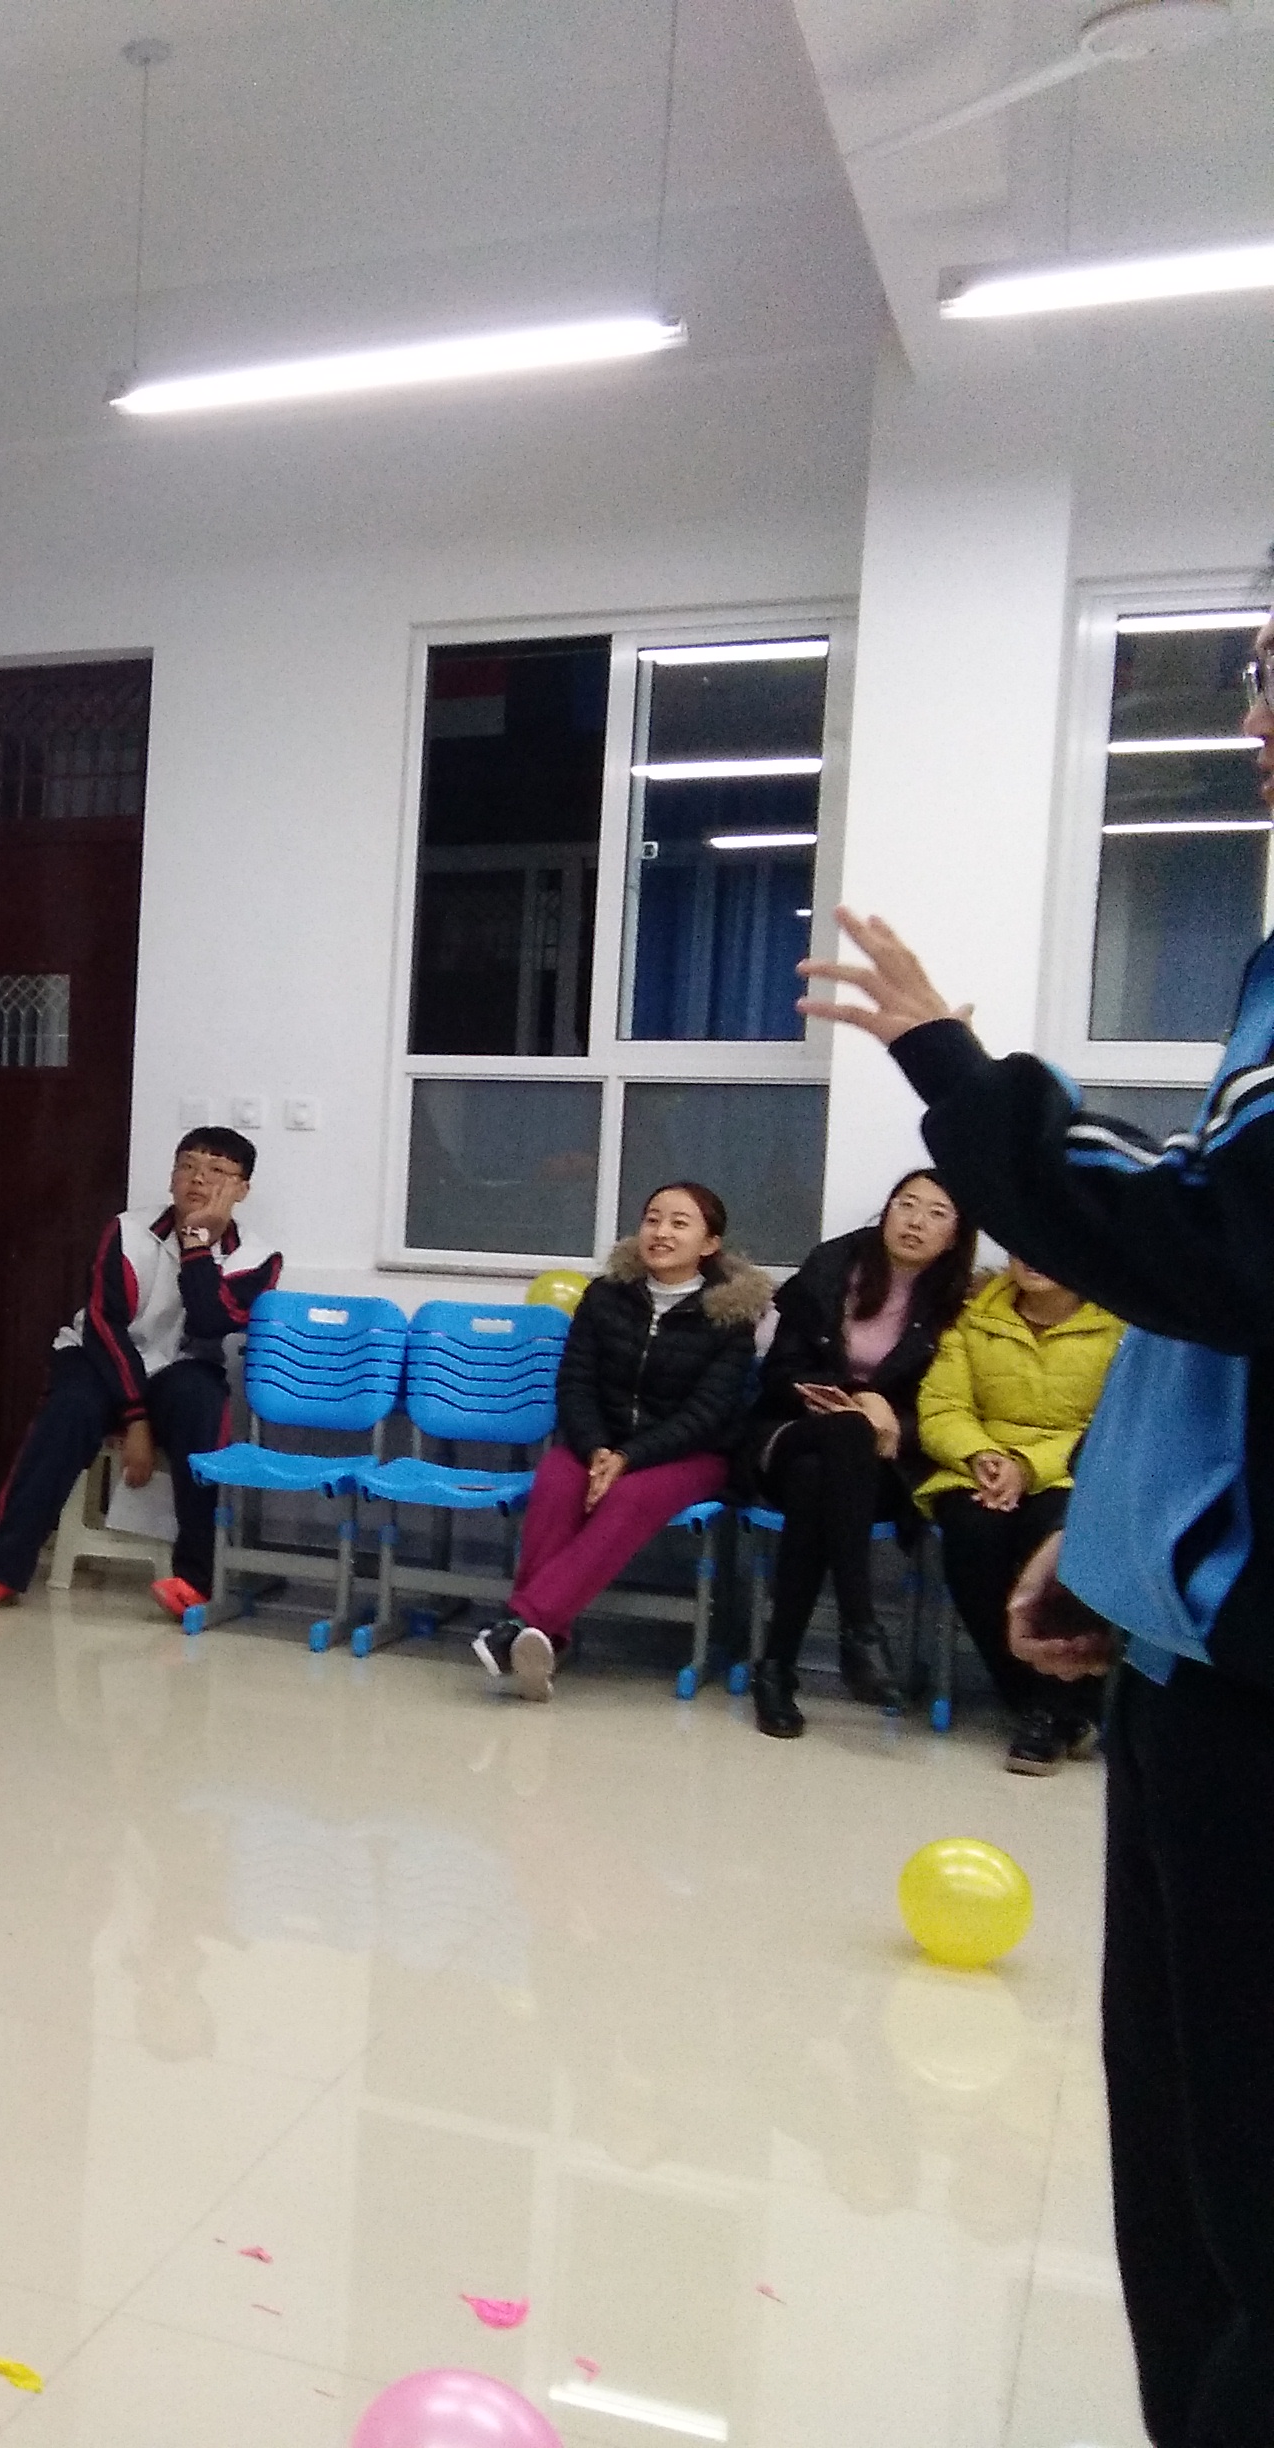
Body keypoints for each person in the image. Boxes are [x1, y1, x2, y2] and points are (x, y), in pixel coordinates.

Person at [797, 596, 1274, 2446]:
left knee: (1244, 2216)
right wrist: (1127, 1533)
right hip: (1194, 1661)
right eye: (1258, 674)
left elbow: (1202, 1247)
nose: (1256, 722)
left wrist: (955, 1071)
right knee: (1189, 2188)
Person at [0, 1127, 281, 1625]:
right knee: (68, 1410)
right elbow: (105, 1325)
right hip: (99, 1354)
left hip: (184, 1363)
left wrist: (196, 1243)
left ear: (242, 1189)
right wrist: (136, 1419)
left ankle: (195, 1580)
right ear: (171, 1176)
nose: (197, 1179)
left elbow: (211, 1322)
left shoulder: (258, 1257)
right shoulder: (126, 1230)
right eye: (187, 1165)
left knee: (203, 1409)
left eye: (216, 1170)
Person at [473, 1182, 768, 1702]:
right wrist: (596, 1450)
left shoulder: (730, 1316)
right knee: (557, 1482)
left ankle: (521, 1623)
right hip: (599, 1445)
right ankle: (543, 1642)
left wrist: (630, 1458)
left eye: (679, 1223)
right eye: (653, 1218)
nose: (661, 1232)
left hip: (690, 1454)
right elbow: (575, 1383)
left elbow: (707, 1414)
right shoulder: (605, 1296)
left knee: (628, 1496)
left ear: (709, 1244)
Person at [741, 1170, 976, 1736]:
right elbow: (780, 1373)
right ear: (886, 1211)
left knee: (817, 1481)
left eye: (936, 1213)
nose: (916, 1222)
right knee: (842, 1434)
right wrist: (858, 1398)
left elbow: (949, 1404)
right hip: (789, 1433)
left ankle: (775, 1669)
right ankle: (860, 1626)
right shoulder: (830, 1269)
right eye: (906, 1205)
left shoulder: (959, 1306)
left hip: (880, 1464)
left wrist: (893, 1421)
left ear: (956, 1236)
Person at [915, 1253, 1125, 1774]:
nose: (1032, 1258)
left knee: (1054, 1540)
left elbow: (1112, 1426)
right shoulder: (976, 1316)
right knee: (973, 1535)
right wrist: (979, 1455)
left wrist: (1029, 1467)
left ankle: (1053, 1707)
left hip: (1074, 1474)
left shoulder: (1118, 1327)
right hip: (981, 1470)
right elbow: (942, 1406)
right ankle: (1038, 1702)